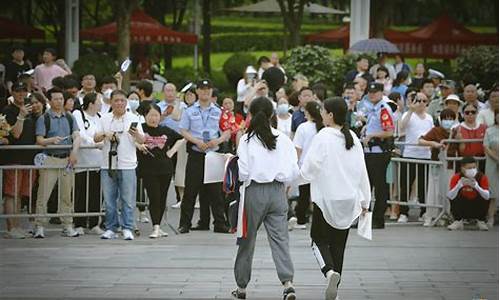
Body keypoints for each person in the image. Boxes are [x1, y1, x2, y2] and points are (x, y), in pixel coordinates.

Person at [300, 97, 371, 300]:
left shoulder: (324, 136)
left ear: (330, 114)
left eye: (323, 110)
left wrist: (293, 180)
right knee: (338, 245)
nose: (321, 114)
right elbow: (362, 171)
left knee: (318, 240)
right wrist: (366, 200)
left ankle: (329, 272)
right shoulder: (354, 138)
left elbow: (310, 167)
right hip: (349, 199)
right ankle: (335, 291)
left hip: (326, 198)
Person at [232, 97, 299, 300]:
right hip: (278, 192)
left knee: (247, 239)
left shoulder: (246, 139)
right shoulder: (284, 138)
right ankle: (287, 283)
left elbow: (242, 172)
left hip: (254, 191)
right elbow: (293, 171)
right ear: (272, 114)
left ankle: (242, 287)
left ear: (250, 114)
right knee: (280, 239)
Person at [177, 79, 230, 234]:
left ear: (212, 91)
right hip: (196, 152)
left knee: (216, 191)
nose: (205, 92)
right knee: (191, 190)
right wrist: (196, 141)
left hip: (214, 153)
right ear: (197, 92)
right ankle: (185, 223)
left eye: (208, 89)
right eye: (202, 89)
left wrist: (218, 140)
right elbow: (183, 130)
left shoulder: (219, 111)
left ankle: (220, 223)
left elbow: (227, 131)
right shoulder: (190, 110)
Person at [94, 90, 145, 240]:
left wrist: (135, 134)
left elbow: (142, 140)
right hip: (107, 164)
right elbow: (96, 137)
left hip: (128, 163)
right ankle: (111, 227)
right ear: (111, 102)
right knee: (109, 200)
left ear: (126, 102)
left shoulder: (133, 118)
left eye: (122, 100)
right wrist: (106, 135)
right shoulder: (104, 118)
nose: (119, 103)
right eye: (116, 100)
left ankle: (127, 227)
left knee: (127, 199)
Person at [33, 87, 81, 238]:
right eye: (56, 99)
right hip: (50, 158)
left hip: (67, 159)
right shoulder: (44, 118)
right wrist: (51, 140)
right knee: (44, 194)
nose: (59, 101)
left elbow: (77, 135)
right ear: (49, 100)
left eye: (61, 98)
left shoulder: (69, 117)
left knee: (66, 195)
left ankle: (67, 225)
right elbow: (39, 140)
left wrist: (74, 152)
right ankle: (39, 225)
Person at [136, 103, 182, 238]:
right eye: (150, 115)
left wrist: (172, 152)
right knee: (154, 197)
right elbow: (131, 138)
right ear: (145, 116)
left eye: (156, 115)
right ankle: (155, 226)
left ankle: (158, 226)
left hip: (165, 169)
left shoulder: (165, 130)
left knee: (162, 198)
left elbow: (181, 139)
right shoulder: (141, 129)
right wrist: (139, 145)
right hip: (148, 169)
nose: (153, 118)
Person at [2, 82, 38, 239]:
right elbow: (15, 134)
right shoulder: (7, 111)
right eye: (18, 91)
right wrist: (21, 116)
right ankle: (11, 228)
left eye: (24, 91)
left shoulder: (30, 109)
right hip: (13, 158)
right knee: (11, 194)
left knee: (20, 195)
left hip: (28, 158)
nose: (21, 94)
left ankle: (17, 227)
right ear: (12, 92)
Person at [397, 92, 434, 223]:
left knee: (424, 185)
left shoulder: (429, 117)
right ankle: (403, 213)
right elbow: (401, 126)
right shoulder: (409, 115)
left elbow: (432, 133)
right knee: (405, 185)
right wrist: (410, 110)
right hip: (409, 154)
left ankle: (424, 212)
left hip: (425, 155)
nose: (421, 103)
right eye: (418, 100)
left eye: (424, 101)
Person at [362, 82, 395, 229]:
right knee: (367, 186)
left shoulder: (383, 109)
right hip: (370, 152)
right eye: (370, 92)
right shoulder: (373, 109)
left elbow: (389, 132)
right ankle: (365, 218)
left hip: (379, 153)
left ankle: (378, 219)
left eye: (375, 92)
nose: (372, 94)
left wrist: (371, 135)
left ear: (381, 93)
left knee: (379, 187)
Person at [72, 92, 104, 236]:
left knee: (96, 193)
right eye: (99, 101)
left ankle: (93, 223)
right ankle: (78, 223)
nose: (101, 103)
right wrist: (95, 143)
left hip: (98, 162)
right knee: (81, 192)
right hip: (83, 162)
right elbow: (81, 134)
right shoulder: (79, 114)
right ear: (91, 103)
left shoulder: (100, 117)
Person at [419, 109, 457, 226]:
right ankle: (430, 216)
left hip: (451, 166)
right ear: (441, 119)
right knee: (433, 190)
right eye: (446, 118)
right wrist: (434, 144)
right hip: (437, 164)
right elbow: (421, 140)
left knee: (447, 191)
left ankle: (445, 215)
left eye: (451, 119)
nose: (448, 121)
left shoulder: (456, 132)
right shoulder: (436, 130)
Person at [293, 101, 324, 229]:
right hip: (320, 166)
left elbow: (298, 149)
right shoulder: (324, 128)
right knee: (319, 194)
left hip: (305, 165)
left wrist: (294, 164)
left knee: (304, 195)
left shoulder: (303, 127)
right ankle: (320, 220)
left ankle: (301, 220)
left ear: (308, 112)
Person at [447, 156, 490, 231]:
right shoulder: (456, 177)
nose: (472, 170)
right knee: (453, 195)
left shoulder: (482, 177)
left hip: (477, 204)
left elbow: (487, 196)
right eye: (469, 168)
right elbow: (450, 196)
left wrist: (477, 187)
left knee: (485, 194)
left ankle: (481, 221)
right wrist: (459, 185)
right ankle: (458, 221)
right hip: (462, 204)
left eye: (474, 167)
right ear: (462, 168)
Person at [450, 103, 487, 171]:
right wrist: (460, 141)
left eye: (473, 112)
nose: (470, 114)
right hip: (464, 163)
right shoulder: (457, 129)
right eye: (467, 112)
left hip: (482, 162)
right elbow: (459, 151)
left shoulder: (484, 128)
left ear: (477, 113)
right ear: (463, 114)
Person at [483, 111, 498, 227]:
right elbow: (486, 147)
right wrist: (497, 158)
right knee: (492, 191)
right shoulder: (489, 130)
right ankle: (490, 217)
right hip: (492, 163)